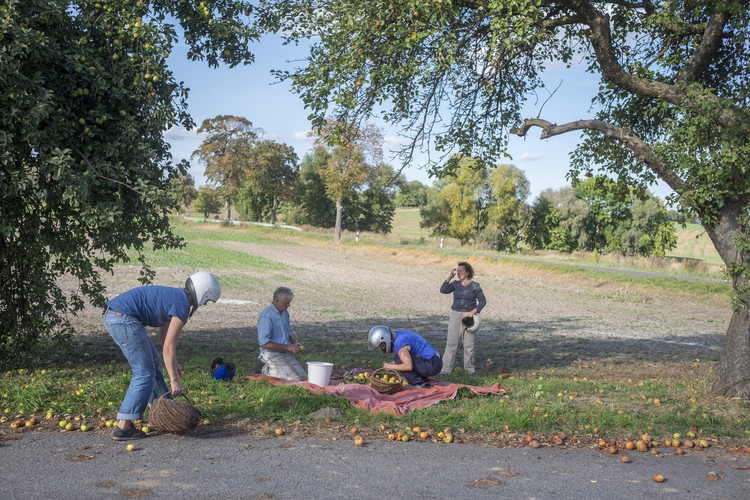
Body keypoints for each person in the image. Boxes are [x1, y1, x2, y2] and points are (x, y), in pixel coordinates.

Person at [104, 271, 221, 440]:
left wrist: (174, 363)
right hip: (123, 319)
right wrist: (174, 381)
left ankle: (163, 412)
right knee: (144, 372)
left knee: (153, 361)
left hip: (117, 316)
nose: (205, 304)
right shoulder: (181, 306)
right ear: (204, 293)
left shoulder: (177, 297)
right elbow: (168, 347)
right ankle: (123, 426)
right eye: (208, 300)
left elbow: (164, 337)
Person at [439, 261, 486, 375]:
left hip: (469, 317)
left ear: (467, 272)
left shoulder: (475, 286)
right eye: (457, 271)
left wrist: (473, 312)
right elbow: (443, 290)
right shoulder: (455, 284)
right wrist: (450, 276)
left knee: (468, 345)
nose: (458, 273)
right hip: (455, 315)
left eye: (461, 271)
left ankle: (469, 370)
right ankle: (446, 370)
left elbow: (483, 301)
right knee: (451, 343)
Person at [257, 286, 307, 381]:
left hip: (284, 353)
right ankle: (268, 371)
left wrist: (294, 343)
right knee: (294, 379)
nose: (289, 306)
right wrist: (288, 347)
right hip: (271, 354)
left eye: (289, 303)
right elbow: (264, 344)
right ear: (277, 301)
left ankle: (274, 370)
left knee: (304, 379)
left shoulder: (285, 313)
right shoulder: (266, 316)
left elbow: (287, 334)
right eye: (286, 303)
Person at [368, 325, 442, 387]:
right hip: (435, 361)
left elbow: (408, 366)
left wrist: (391, 366)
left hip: (433, 365)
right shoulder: (398, 334)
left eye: (382, 345)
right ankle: (424, 379)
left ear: (385, 338)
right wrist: (394, 363)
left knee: (398, 359)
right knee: (398, 359)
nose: (383, 348)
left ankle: (418, 383)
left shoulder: (400, 345)